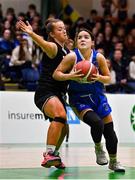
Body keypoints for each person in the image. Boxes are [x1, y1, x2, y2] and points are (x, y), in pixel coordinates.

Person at [53, 28, 125, 172]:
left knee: (110, 133)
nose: (82, 39)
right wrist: (70, 76)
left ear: (92, 42)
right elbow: (56, 74)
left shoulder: (99, 58)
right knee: (97, 123)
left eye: (86, 37)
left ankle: (114, 162)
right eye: (79, 37)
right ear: (76, 43)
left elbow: (108, 78)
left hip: (98, 98)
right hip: (79, 99)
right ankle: (98, 148)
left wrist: (98, 77)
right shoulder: (72, 57)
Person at [16, 18, 70, 169]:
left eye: (64, 28)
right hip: (45, 91)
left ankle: (55, 155)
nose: (64, 30)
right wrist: (32, 34)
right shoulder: (53, 47)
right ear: (52, 34)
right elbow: (44, 44)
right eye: (59, 29)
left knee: (64, 128)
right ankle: (49, 154)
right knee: (60, 115)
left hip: (59, 93)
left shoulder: (67, 51)